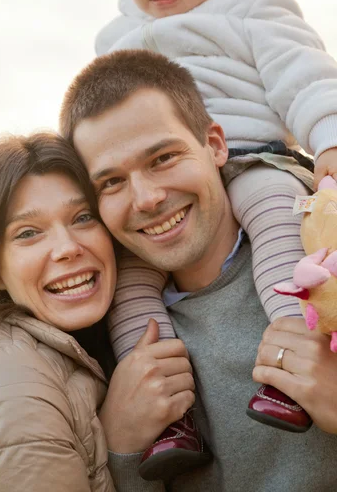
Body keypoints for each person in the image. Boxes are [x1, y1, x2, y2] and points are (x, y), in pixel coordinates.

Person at [93, 0, 337, 465]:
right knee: (130, 279)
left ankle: (293, 368)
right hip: (165, 186)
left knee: (278, 212)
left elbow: (303, 76)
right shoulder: (115, 39)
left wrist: (328, 137)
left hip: (254, 159)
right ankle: (168, 422)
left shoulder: (254, 7)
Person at [60, 49, 337, 491]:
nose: (146, 198)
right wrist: (122, 449)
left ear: (215, 145)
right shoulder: (92, 344)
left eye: (163, 158)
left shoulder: (324, 266)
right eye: (111, 182)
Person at [0, 132, 195, 492]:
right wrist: (119, 442)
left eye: (83, 217)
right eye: (28, 233)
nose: (68, 248)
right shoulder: (8, 384)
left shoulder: (70, 351)